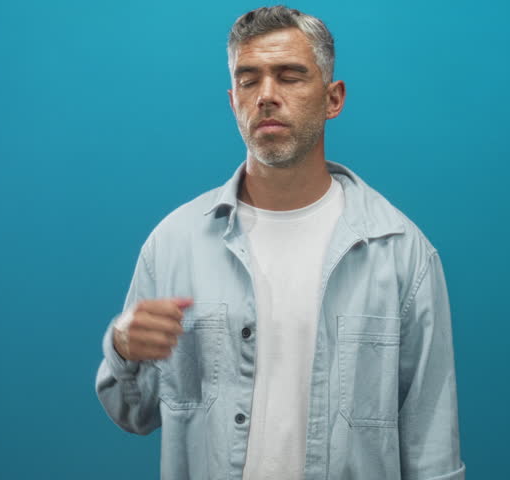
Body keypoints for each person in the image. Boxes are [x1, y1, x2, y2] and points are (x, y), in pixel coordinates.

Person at [95, 6, 465, 480]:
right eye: (249, 80)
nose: (267, 95)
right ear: (233, 101)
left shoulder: (401, 253)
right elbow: (132, 413)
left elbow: (432, 449)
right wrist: (123, 347)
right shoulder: (174, 245)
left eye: (290, 77)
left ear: (333, 98)